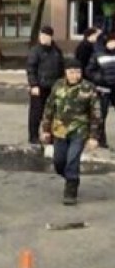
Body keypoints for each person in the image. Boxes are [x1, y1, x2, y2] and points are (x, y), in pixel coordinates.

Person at [40, 58, 101, 205]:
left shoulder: (88, 88)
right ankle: (69, 176)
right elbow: (49, 108)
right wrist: (45, 130)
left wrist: (93, 136)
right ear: (65, 73)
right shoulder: (58, 86)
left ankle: (71, 190)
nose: (75, 75)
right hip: (59, 130)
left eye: (78, 72)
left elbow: (96, 114)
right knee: (59, 162)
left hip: (79, 130)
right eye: (71, 72)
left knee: (72, 159)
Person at [26, 25, 65, 145]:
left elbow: (61, 67)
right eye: (41, 35)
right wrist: (33, 85)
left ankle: (52, 135)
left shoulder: (57, 51)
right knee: (36, 112)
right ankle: (33, 136)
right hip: (39, 86)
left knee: (54, 112)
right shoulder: (35, 51)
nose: (43, 38)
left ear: (50, 37)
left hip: (54, 86)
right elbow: (31, 68)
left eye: (45, 36)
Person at [84, 31, 115, 147]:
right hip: (103, 88)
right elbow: (89, 70)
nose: (113, 44)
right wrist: (100, 78)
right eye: (111, 42)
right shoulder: (98, 54)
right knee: (101, 114)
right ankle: (101, 139)